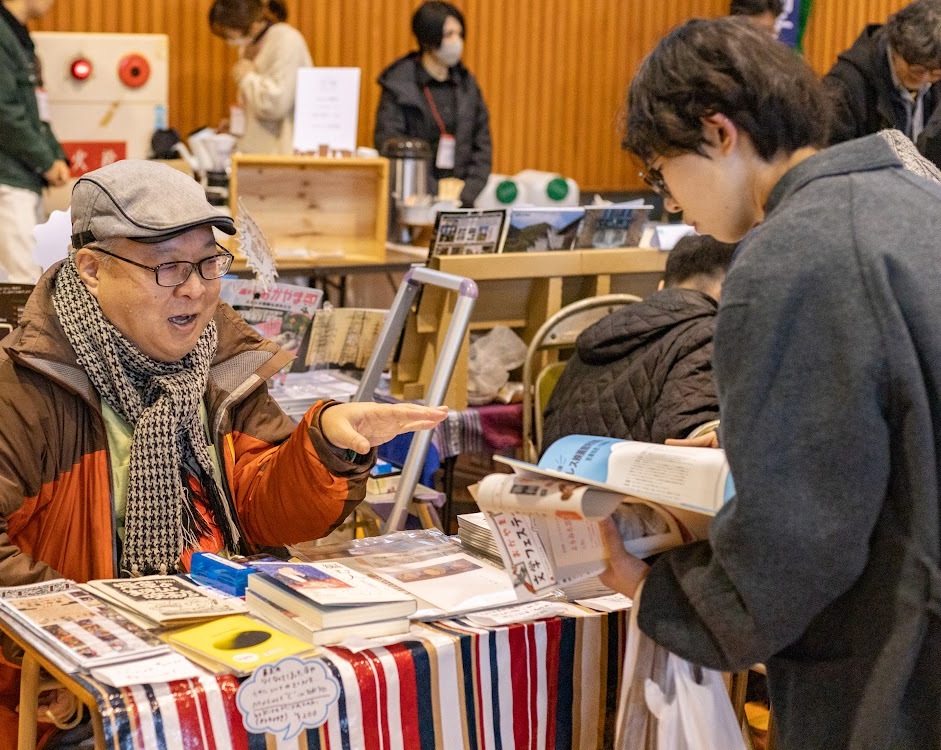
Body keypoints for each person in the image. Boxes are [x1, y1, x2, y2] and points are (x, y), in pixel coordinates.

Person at [0, 159, 446, 749]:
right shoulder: (21, 386)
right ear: (91, 270)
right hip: (55, 695)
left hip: (216, 652)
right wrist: (82, 644)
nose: (196, 288)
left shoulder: (219, 357)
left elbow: (261, 508)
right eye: (168, 268)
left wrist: (324, 444)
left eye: (209, 263)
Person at [601, 16, 941, 750]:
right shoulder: (915, 197)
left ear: (718, 133)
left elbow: (797, 540)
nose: (672, 202)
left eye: (662, 171)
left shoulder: (789, 254)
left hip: (896, 663)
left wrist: (659, 594)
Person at [540, 235, 736, 451]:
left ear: (661, 287)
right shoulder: (706, 335)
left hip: (559, 477)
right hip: (631, 483)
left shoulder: (599, 335)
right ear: (727, 291)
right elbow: (693, 446)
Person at [0, 0, 70, 283]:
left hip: (20, 177)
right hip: (3, 181)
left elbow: (37, 112)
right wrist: (46, 161)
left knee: (14, 284)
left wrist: (56, 156)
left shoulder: (13, 34)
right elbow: (0, 114)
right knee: (22, 284)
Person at [374, 1, 492, 207]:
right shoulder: (398, 84)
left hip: (462, 201)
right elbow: (389, 144)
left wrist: (465, 191)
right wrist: (435, 191)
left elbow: (482, 146)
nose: (457, 42)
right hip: (410, 201)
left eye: (460, 34)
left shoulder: (467, 85)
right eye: (449, 35)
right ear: (428, 38)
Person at [824, 0, 941, 169]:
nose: (926, 80)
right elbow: (834, 164)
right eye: (918, 71)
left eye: (936, 74)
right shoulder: (845, 87)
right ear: (894, 47)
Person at [209, 0, 313, 155]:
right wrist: (236, 126)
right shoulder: (249, 45)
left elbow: (276, 104)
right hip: (254, 153)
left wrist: (246, 77)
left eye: (228, 34)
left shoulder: (286, 40)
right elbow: (254, 103)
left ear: (252, 25)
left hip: (280, 154)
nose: (229, 41)